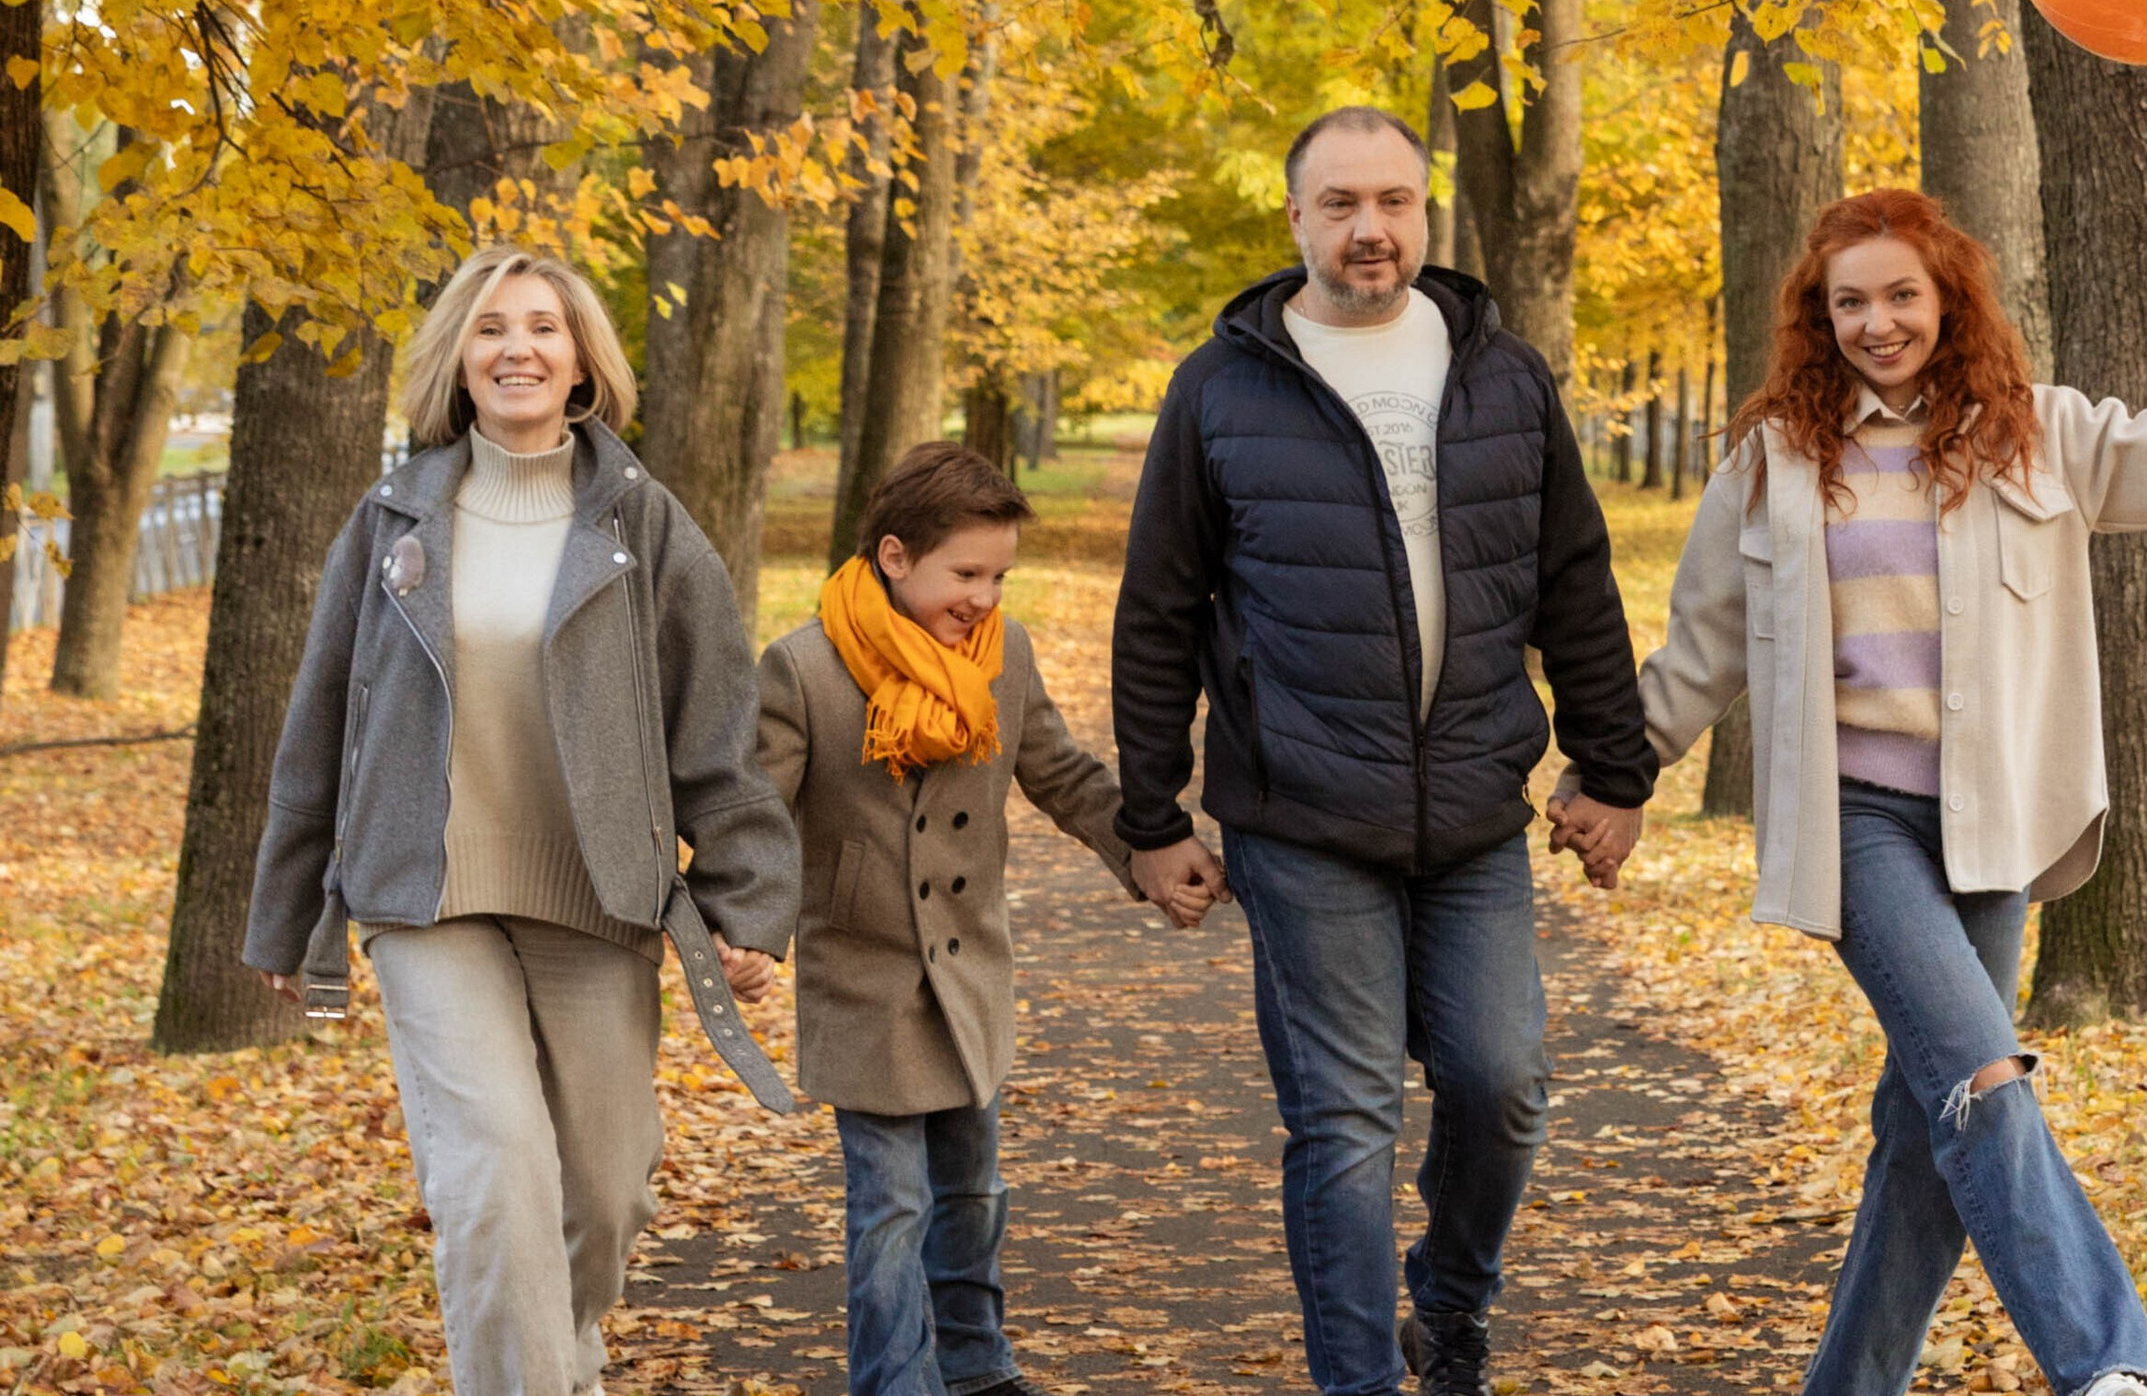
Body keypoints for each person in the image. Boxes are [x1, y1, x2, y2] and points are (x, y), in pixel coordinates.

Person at [1639, 187, 2147, 1396]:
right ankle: (2111, 1362)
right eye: (1849, 303)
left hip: (1994, 826)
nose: (1877, 322)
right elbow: (1701, 646)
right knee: (1984, 1082)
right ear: (1816, 316)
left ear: (1947, 299)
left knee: (1927, 1139)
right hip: (1857, 824)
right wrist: (1611, 780)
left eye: (1900, 295)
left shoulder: (2039, 432)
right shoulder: (1776, 456)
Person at [1110, 105, 1660, 1396]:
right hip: (1302, 819)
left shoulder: (1502, 375)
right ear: (1295, 218)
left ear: (1427, 214)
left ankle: (1450, 1308)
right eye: (1343, 204)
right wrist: (1151, 816)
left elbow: (1575, 581)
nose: (1372, 229)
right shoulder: (1222, 387)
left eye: (1397, 203)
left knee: (1504, 1083)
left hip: (1475, 811)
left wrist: (1617, 770)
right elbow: (1159, 610)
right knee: (1345, 1123)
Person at [244, 246, 798, 1396]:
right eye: (491, 328)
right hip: (422, 893)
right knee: (492, 1173)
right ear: (459, 355)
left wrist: (748, 895)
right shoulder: (393, 518)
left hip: (594, 896)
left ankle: (555, 1350)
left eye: (542, 326)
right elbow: (321, 721)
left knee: (607, 1186)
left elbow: (716, 727)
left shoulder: (642, 524)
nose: (517, 349)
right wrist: (287, 910)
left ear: (581, 356)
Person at [756, 441, 1161, 1396]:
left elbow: (1059, 770)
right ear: (895, 557)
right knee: (890, 1205)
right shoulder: (805, 667)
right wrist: (745, 929)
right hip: (864, 973)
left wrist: (1146, 851)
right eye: (965, 573)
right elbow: (754, 819)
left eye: (999, 575)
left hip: (969, 970)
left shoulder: (1003, 654)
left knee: (974, 1191)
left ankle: (977, 1365)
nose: (983, 595)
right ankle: (894, 1381)